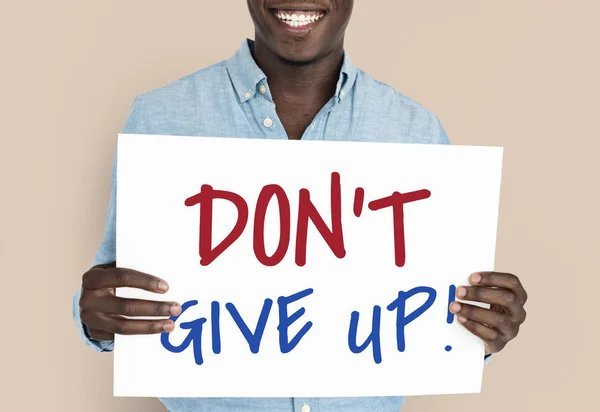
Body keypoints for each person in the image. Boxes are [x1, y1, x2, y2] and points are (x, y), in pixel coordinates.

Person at [73, 1, 528, 411]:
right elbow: (113, 289)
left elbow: (435, 317)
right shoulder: (157, 118)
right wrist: (95, 319)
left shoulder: (417, 131)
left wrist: (483, 331)